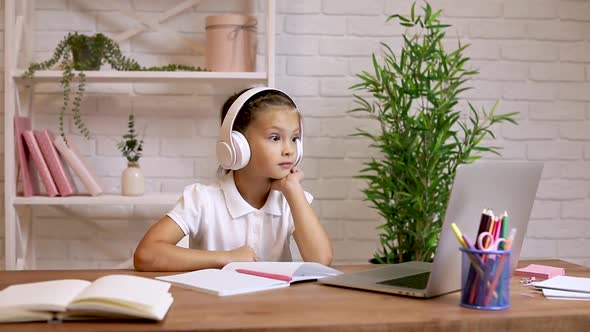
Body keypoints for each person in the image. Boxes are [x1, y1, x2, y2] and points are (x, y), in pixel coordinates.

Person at [133, 87, 333, 271]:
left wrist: (294, 191)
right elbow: (146, 255)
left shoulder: (290, 199)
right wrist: (227, 258)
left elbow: (321, 261)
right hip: (216, 307)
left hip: (274, 307)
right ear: (237, 145)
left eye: (294, 138)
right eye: (275, 138)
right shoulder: (202, 199)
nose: (289, 150)